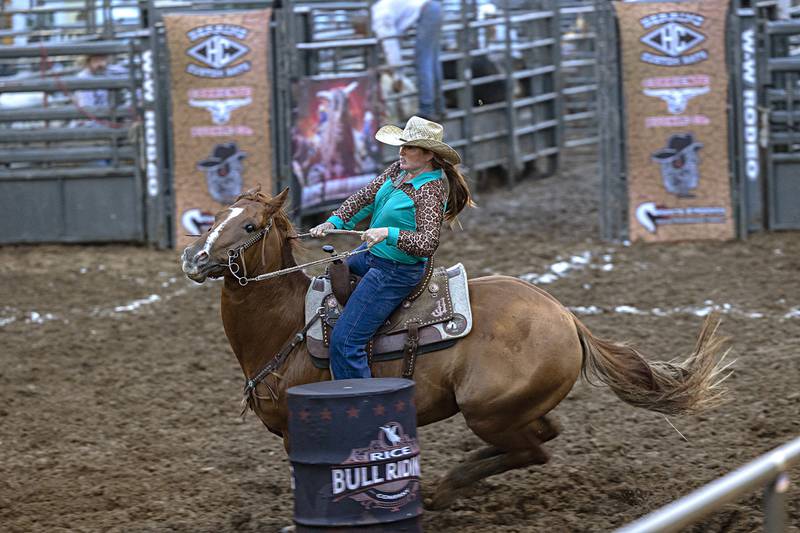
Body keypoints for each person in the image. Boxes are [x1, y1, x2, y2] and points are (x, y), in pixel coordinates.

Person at [310, 115, 474, 380]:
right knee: (331, 278)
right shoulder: (398, 171)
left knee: (345, 342)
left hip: (396, 271)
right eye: (402, 145)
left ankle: (363, 408)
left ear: (427, 154)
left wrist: (388, 233)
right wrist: (334, 221)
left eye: (408, 147)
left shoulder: (430, 190)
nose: (401, 151)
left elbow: (427, 242)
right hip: (371, 257)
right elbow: (365, 196)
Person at [369, 0, 444, 121]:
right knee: (432, 61)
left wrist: (397, 75)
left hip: (426, 11)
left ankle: (427, 110)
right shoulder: (382, 9)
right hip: (432, 7)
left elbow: (391, 45)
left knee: (423, 61)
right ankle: (440, 107)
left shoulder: (380, 18)